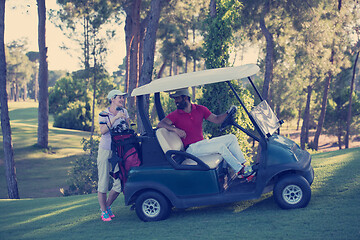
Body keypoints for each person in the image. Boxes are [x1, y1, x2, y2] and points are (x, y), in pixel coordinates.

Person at [157, 88, 254, 179]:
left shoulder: (200, 109)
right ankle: (240, 171)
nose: (175, 101)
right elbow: (160, 124)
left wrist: (228, 113)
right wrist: (175, 130)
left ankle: (243, 166)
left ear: (185, 97)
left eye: (177, 98)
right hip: (191, 149)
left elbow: (216, 119)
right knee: (220, 147)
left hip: (202, 144)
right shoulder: (175, 115)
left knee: (231, 138)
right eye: (175, 99)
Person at [97, 89, 130, 222]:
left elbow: (127, 127)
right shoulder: (104, 114)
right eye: (119, 98)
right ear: (112, 99)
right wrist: (115, 118)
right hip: (105, 150)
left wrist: (124, 119)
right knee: (103, 181)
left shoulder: (125, 111)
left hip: (119, 150)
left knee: (118, 183)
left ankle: (107, 206)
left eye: (123, 98)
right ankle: (103, 211)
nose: (122, 100)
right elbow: (103, 131)